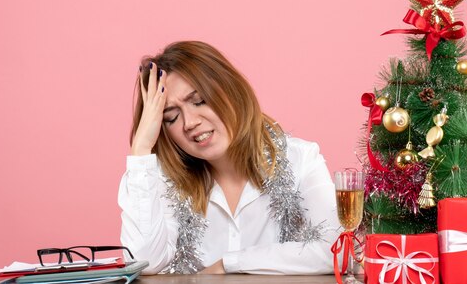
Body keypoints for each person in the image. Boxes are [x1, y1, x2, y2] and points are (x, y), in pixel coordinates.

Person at [118, 41, 340, 275]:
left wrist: (230, 264)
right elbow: (145, 263)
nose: (190, 122)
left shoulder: (300, 159)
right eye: (171, 118)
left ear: (230, 90)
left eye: (199, 101)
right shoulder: (163, 179)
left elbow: (335, 250)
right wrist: (141, 149)